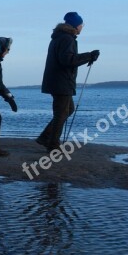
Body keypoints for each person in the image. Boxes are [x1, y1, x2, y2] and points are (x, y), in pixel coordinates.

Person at [36, 12, 100, 151]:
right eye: (81, 24)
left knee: (68, 110)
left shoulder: (60, 37)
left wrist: (88, 57)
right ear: (76, 25)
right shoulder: (66, 39)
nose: (82, 27)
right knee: (62, 113)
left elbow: (67, 59)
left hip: (57, 81)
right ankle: (52, 144)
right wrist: (89, 56)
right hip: (61, 82)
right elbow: (68, 60)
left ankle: (45, 137)